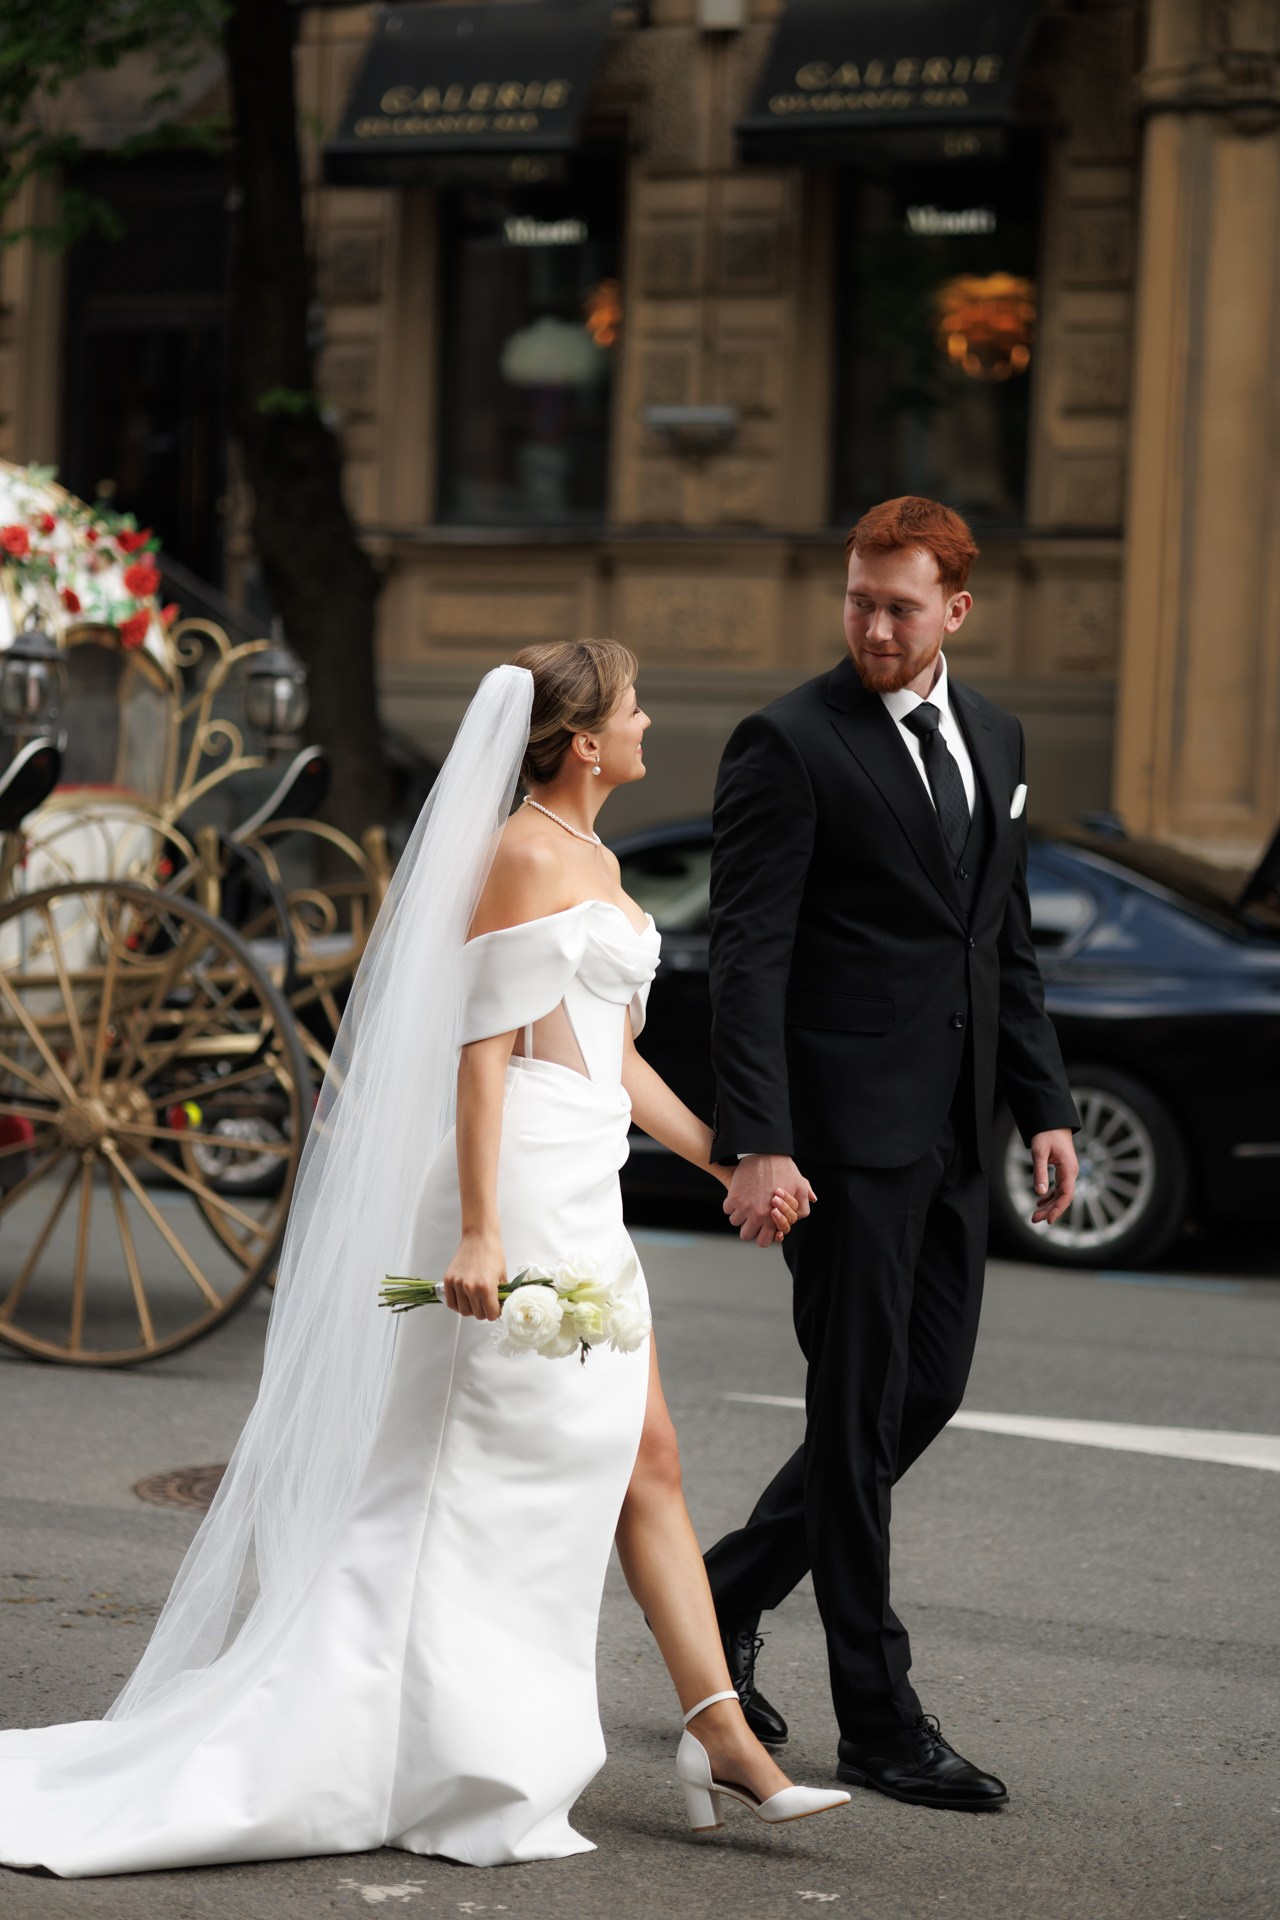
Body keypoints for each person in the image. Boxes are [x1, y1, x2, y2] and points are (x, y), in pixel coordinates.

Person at [0, 641, 846, 1879]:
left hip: (586, 1186)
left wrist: (725, 1159)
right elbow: (481, 1050)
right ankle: (432, 1732)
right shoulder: (517, 855)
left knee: (644, 1456)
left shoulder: (602, 860)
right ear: (581, 743)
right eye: (631, 709)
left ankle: (717, 1735)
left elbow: (609, 1062)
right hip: (515, 1194)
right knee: (456, 1477)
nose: (649, 721)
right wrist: (480, 1231)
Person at [703, 498, 1080, 1812]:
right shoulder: (788, 743)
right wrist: (758, 1142)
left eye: (899, 607)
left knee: (927, 1393)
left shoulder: (999, 736)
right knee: (857, 1415)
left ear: (955, 612)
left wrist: (1043, 1107)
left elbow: (1000, 941)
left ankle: (719, 1592)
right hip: (842, 1147)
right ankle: (878, 1715)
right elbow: (746, 957)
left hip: (958, 1131)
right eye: (859, 600)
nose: (872, 625)